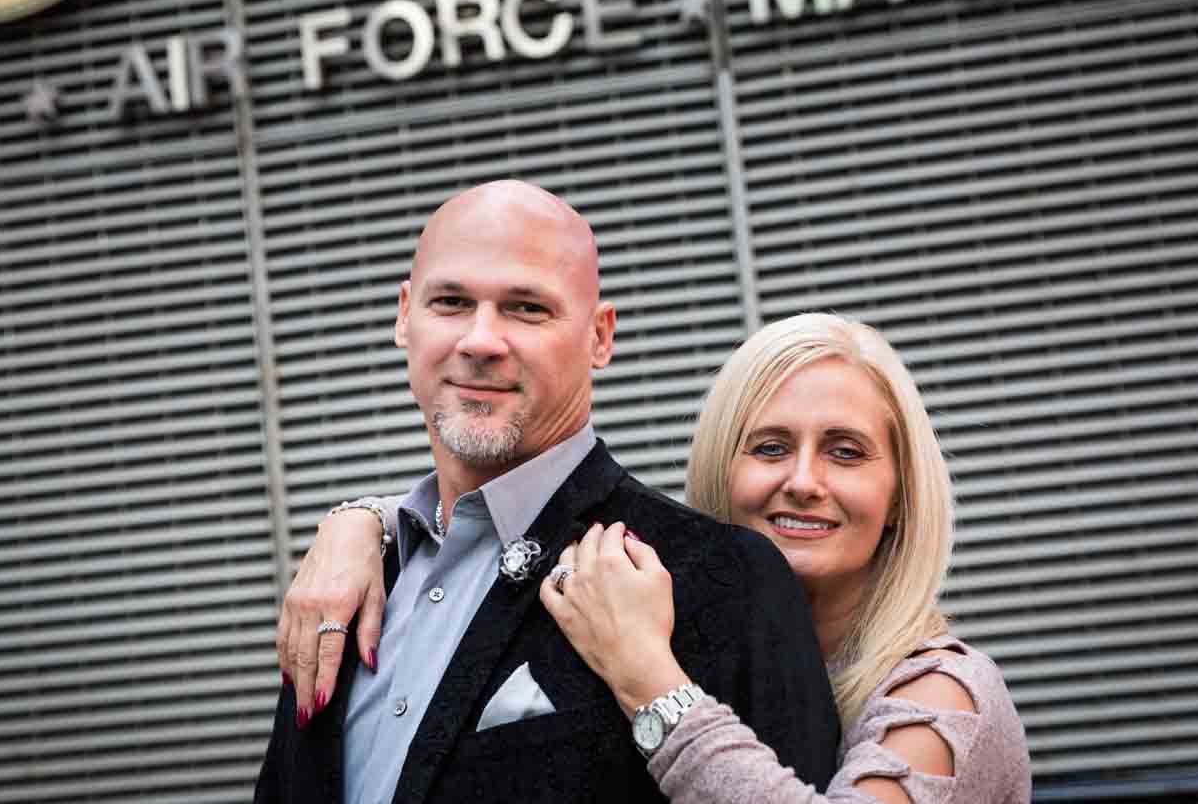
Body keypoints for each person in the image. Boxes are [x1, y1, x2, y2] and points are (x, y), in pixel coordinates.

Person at [281, 312, 1032, 804]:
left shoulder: (946, 695)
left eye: (845, 452)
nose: (803, 482)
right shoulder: (684, 609)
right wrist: (365, 523)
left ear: (900, 494)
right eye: (770, 447)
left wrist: (647, 679)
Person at [255, 182, 839, 804]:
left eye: (527, 308)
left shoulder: (721, 576)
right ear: (405, 317)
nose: (480, 340)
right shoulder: (340, 587)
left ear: (600, 336)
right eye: (451, 301)